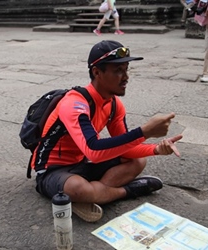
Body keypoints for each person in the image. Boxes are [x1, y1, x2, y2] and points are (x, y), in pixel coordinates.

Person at [32, 40, 183, 222]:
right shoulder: (74, 103)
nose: (126, 77)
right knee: (78, 189)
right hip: (52, 170)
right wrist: (145, 132)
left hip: (82, 163)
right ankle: (125, 191)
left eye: (126, 69)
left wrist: (156, 149)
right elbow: (94, 150)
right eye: (118, 71)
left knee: (137, 161)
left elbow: (125, 146)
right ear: (97, 72)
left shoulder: (113, 105)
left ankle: (94, 196)